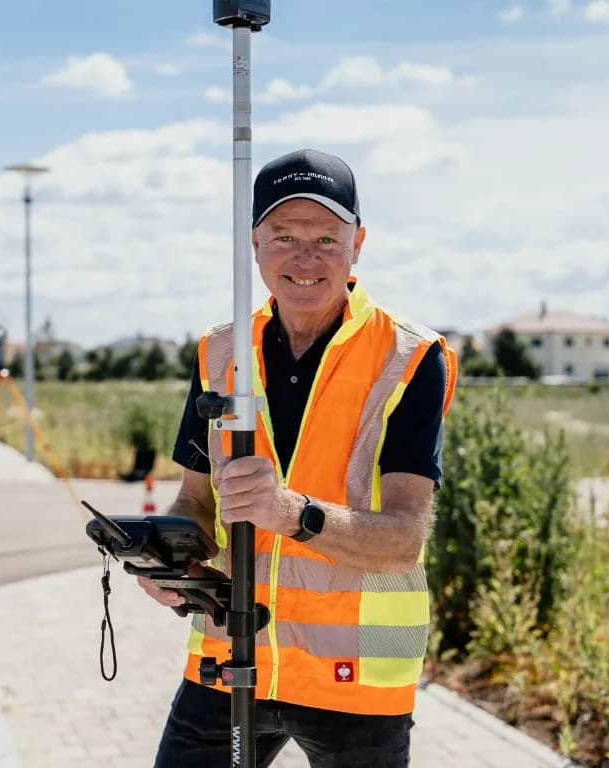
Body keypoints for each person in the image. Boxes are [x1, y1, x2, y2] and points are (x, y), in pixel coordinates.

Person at [139, 148, 458, 768]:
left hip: (355, 681)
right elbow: (195, 502)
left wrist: (292, 512)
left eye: (326, 238)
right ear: (254, 243)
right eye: (284, 236)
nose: (304, 258)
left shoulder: (410, 358)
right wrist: (169, 556)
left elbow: (404, 541)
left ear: (358, 243)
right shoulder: (220, 352)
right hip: (232, 656)